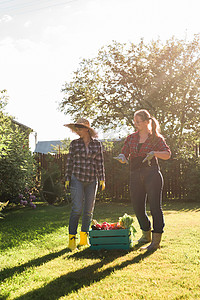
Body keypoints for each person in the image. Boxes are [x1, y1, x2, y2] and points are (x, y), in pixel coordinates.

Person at [116, 109, 171, 251]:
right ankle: (146, 234)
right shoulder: (131, 138)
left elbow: (167, 154)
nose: (135, 124)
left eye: (138, 121)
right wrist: (122, 157)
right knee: (138, 207)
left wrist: (154, 153)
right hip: (134, 174)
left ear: (147, 122)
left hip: (152, 174)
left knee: (155, 207)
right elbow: (124, 152)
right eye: (134, 122)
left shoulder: (156, 139)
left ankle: (156, 241)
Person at [64, 118, 105, 251]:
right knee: (76, 209)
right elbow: (69, 162)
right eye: (76, 128)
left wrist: (102, 179)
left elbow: (100, 163)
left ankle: (83, 239)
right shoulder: (74, 144)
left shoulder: (97, 145)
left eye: (80, 128)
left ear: (87, 129)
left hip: (92, 180)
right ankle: (72, 241)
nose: (77, 131)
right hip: (77, 178)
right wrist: (67, 178)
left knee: (88, 211)